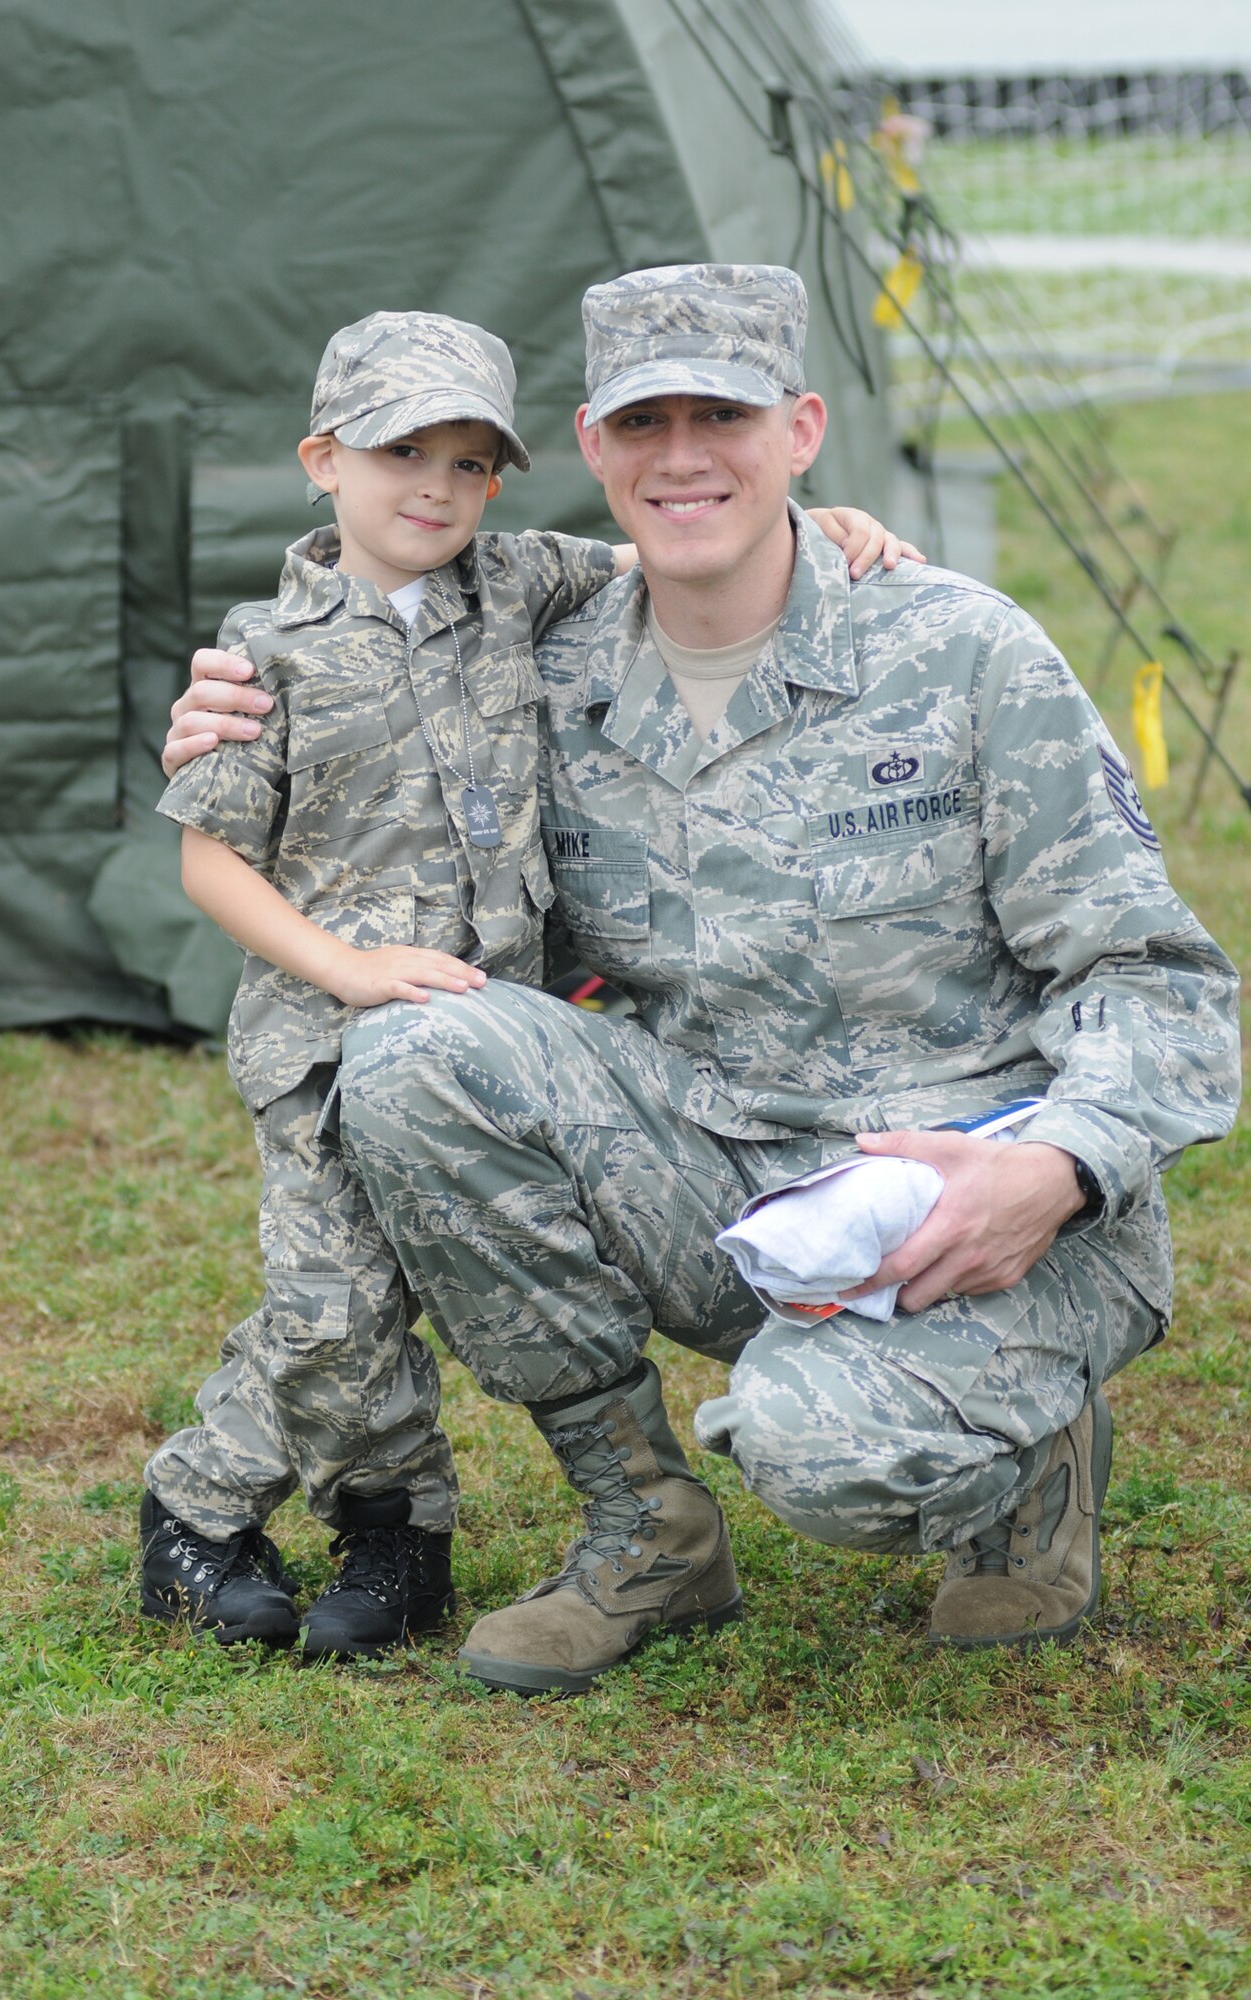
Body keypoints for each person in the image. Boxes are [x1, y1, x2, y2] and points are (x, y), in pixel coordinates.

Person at [162, 264, 1235, 1699]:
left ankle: (1028, 1451)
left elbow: (1160, 980)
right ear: (592, 449)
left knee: (824, 1453)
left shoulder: (959, 651)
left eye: (721, 417)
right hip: (719, 1173)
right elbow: (376, 740)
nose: (681, 458)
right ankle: (644, 1527)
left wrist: (1056, 1173)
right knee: (412, 1052)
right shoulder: (537, 671)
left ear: (800, 430)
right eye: (642, 423)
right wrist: (236, 719)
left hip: (970, 1197)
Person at [146, 299, 912, 1664]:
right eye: (401, 454)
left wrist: (824, 525)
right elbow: (211, 860)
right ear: (324, 461)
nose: (436, 489)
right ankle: (206, 1511)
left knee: (403, 1281)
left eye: (468, 463)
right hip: (325, 1037)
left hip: (483, 1037)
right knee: (340, 1303)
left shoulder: (518, 583)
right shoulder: (267, 652)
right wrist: (347, 970)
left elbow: (673, 542)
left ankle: (393, 1537)